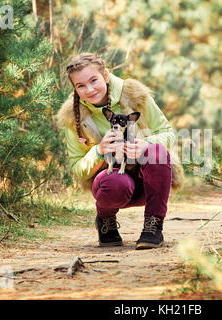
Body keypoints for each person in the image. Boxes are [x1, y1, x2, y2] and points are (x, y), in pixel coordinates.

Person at [56, 53, 184, 250]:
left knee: (157, 152)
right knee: (116, 183)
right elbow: (77, 168)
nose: (89, 89)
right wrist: (99, 151)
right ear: (74, 88)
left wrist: (144, 143)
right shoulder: (72, 116)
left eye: (93, 80)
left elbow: (167, 133)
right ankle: (105, 219)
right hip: (111, 184)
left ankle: (153, 227)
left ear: (105, 76)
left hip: (147, 181)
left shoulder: (134, 95)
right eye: (81, 86)